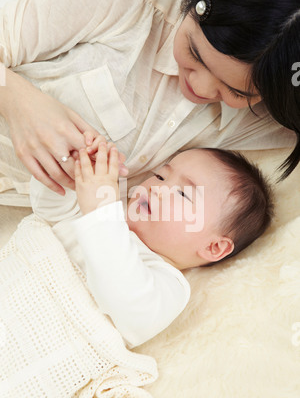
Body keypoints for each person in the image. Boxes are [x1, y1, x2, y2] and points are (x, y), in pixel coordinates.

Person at [0, 0, 299, 206]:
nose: (204, 89)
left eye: (234, 90)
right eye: (195, 54)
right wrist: (18, 102)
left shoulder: (264, 112)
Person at [29, 138, 274, 347]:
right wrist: (70, 172)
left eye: (182, 194)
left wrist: (100, 211)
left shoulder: (168, 285)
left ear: (213, 247)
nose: (157, 189)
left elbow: (130, 304)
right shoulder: (100, 219)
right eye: (160, 176)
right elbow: (50, 211)